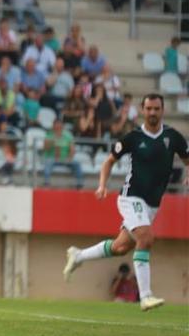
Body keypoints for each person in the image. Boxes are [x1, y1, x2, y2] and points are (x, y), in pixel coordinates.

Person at [64, 94, 189, 312]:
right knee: (146, 237)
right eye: (148, 108)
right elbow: (109, 161)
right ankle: (146, 296)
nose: (152, 112)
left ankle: (78, 255)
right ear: (142, 110)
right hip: (130, 198)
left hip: (152, 205)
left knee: (120, 247)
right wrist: (102, 185)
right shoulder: (132, 138)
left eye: (156, 108)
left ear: (162, 110)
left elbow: (188, 159)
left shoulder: (173, 137)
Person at [42, 120, 83, 188]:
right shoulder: (49, 135)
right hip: (52, 158)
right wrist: (53, 141)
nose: (58, 128)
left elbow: (72, 149)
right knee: (48, 163)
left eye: (59, 126)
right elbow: (45, 148)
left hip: (65, 158)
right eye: (56, 126)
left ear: (62, 126)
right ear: (53, 126)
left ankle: (79, 183)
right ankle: (47, 182)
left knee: (77, 164)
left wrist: (69, 158)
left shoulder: (68, 135)